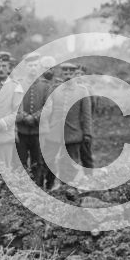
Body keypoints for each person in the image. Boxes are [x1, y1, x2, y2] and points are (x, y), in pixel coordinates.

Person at [41, 62, 92, 190]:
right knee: (49, 160)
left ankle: (67, 189)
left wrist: (87, 133)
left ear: (75, 74)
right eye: (65, 73)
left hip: (73, 133)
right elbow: (47, 111)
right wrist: (44, 129)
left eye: (70, 73)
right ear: (61, 74)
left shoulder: (82, 90)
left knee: (71, 163)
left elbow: (86, 115)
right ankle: (48, 186)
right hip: (54, 133)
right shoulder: (54, 89)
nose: (68, 75)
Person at [16, 53, 51, 184]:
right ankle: (23, 187)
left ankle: (38, 186)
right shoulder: (18, 84)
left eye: (35, 65)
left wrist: (35, 117)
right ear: (25, 67)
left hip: (39, 131)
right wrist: (24, 116)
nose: (33, 68)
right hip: (21, 130)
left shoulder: (45, 86)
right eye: (30, 65)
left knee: (39, 161)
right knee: (21, 161)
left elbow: (48, 107)